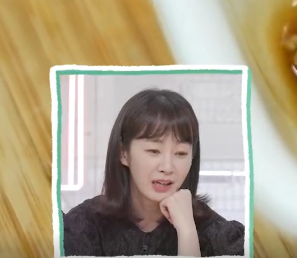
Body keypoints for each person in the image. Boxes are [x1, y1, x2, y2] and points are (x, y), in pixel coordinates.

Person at [62, 88, 245, 257]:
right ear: (123, 153)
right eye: (154, 151)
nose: (167, 167)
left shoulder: (218, 235)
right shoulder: (83, 227)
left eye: (180, 153)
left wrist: (187, 232)